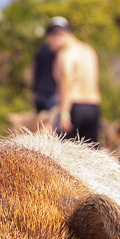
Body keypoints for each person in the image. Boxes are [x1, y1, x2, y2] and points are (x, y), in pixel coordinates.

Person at [48, 17, 101, 146]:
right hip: (93, 106)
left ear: (59, 35)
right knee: (90, 155)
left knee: (62, 156)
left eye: (50, 43)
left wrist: (64, 113)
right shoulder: (89, 50)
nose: (51, 48)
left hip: (74, 107)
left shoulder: (65, 54)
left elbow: (67, 84)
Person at [32, 35, 58, 113]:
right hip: (53, 92)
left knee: (40, 121)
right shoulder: (58, 51)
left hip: (39, 91)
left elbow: (34, 70)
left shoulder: (40, 49)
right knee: (51, 122)